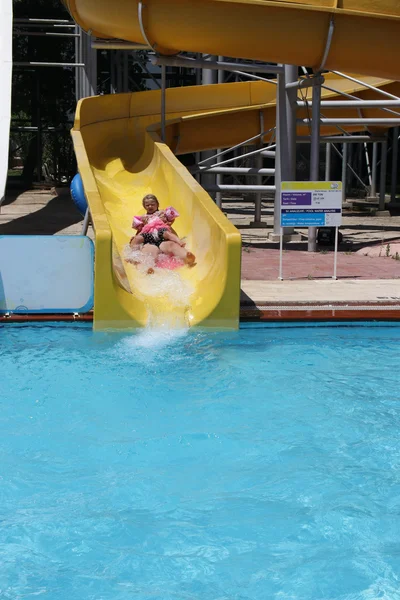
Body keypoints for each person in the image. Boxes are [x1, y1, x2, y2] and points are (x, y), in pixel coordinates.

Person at [127, 194, 196, 273]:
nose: (150, 206)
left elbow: (170, 228)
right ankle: (146, 266)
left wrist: (166, 222)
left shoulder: (162, 214)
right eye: (147, 205)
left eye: (152, 204)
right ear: (144, 206)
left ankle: (186, 256)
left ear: (157, 204)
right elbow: (140, 233)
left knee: (172, 245)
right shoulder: (143, 218)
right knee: (149, 251)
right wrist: (137, 235)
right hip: (150, 241)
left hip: (163, 240)